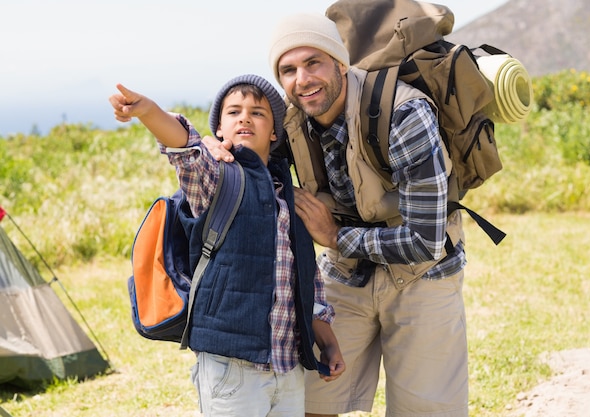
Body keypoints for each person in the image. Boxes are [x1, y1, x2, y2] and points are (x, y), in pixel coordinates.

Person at [264, 13, 468, 417]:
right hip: (346, 273)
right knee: (309, 403)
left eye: (313, 63)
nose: (302, 80)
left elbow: (424, 240)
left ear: (340, 62)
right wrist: (214, 149)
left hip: (422, 275)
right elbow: (248, 163)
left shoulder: (405, 113)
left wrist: (336, 236)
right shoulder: (290, 121)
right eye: (288, 70)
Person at [108, 74, 345, 417]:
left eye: (258, 113)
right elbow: (184, 149)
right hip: (231, 367)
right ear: (219, 129)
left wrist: (329, 344)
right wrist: (148, 111)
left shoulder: (289, 199)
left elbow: (307, 285)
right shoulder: (217, 179)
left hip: (288, 367)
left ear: (275, 132)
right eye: (234, 112)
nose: (245, 117)